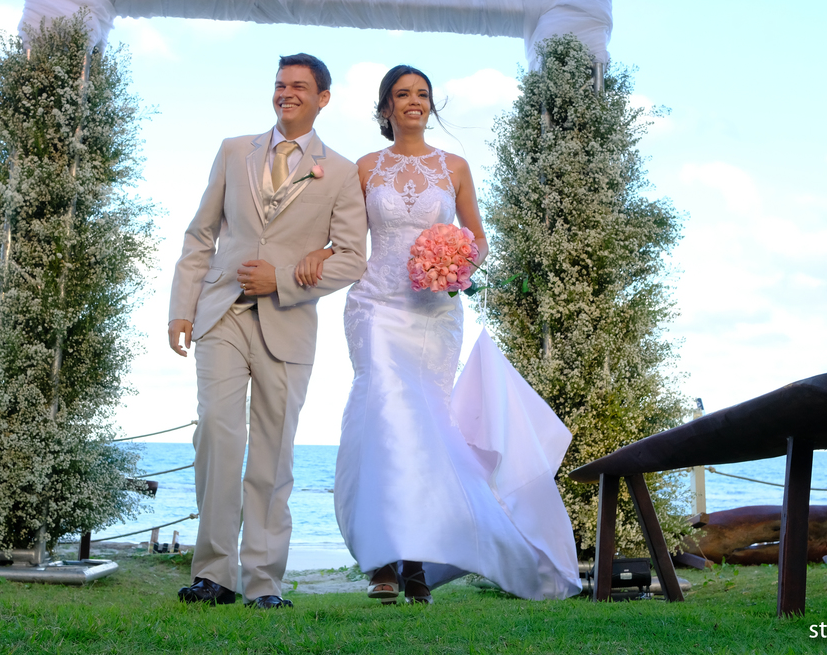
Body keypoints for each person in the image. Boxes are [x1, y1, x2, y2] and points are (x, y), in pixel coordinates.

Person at [296, 65, 582, 603]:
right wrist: (320, 252)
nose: (414, 102)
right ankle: (383, 561)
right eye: (402, 95)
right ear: (385, 109)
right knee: (384, 416)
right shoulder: (362, 168)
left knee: (425, 428)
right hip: (376, 305)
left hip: (434, 313)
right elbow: (348, 239)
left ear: (430, 106)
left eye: (422, 94)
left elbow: (478, 238)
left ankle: (417, 560)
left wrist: (457, 263)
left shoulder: (454, 167)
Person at [167, 53, 368, 609]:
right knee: (217, 435)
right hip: (221, 313)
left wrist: (281, 278)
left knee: (274, 454)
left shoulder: (343, 172)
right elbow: (199, 234)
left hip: (288, 321)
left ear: (322, 98)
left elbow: (352, 259)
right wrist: (180, 308)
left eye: (300, 87)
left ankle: (263, 583)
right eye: (280, 85)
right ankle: (214, 574)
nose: (287, 93)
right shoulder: (235, 150)